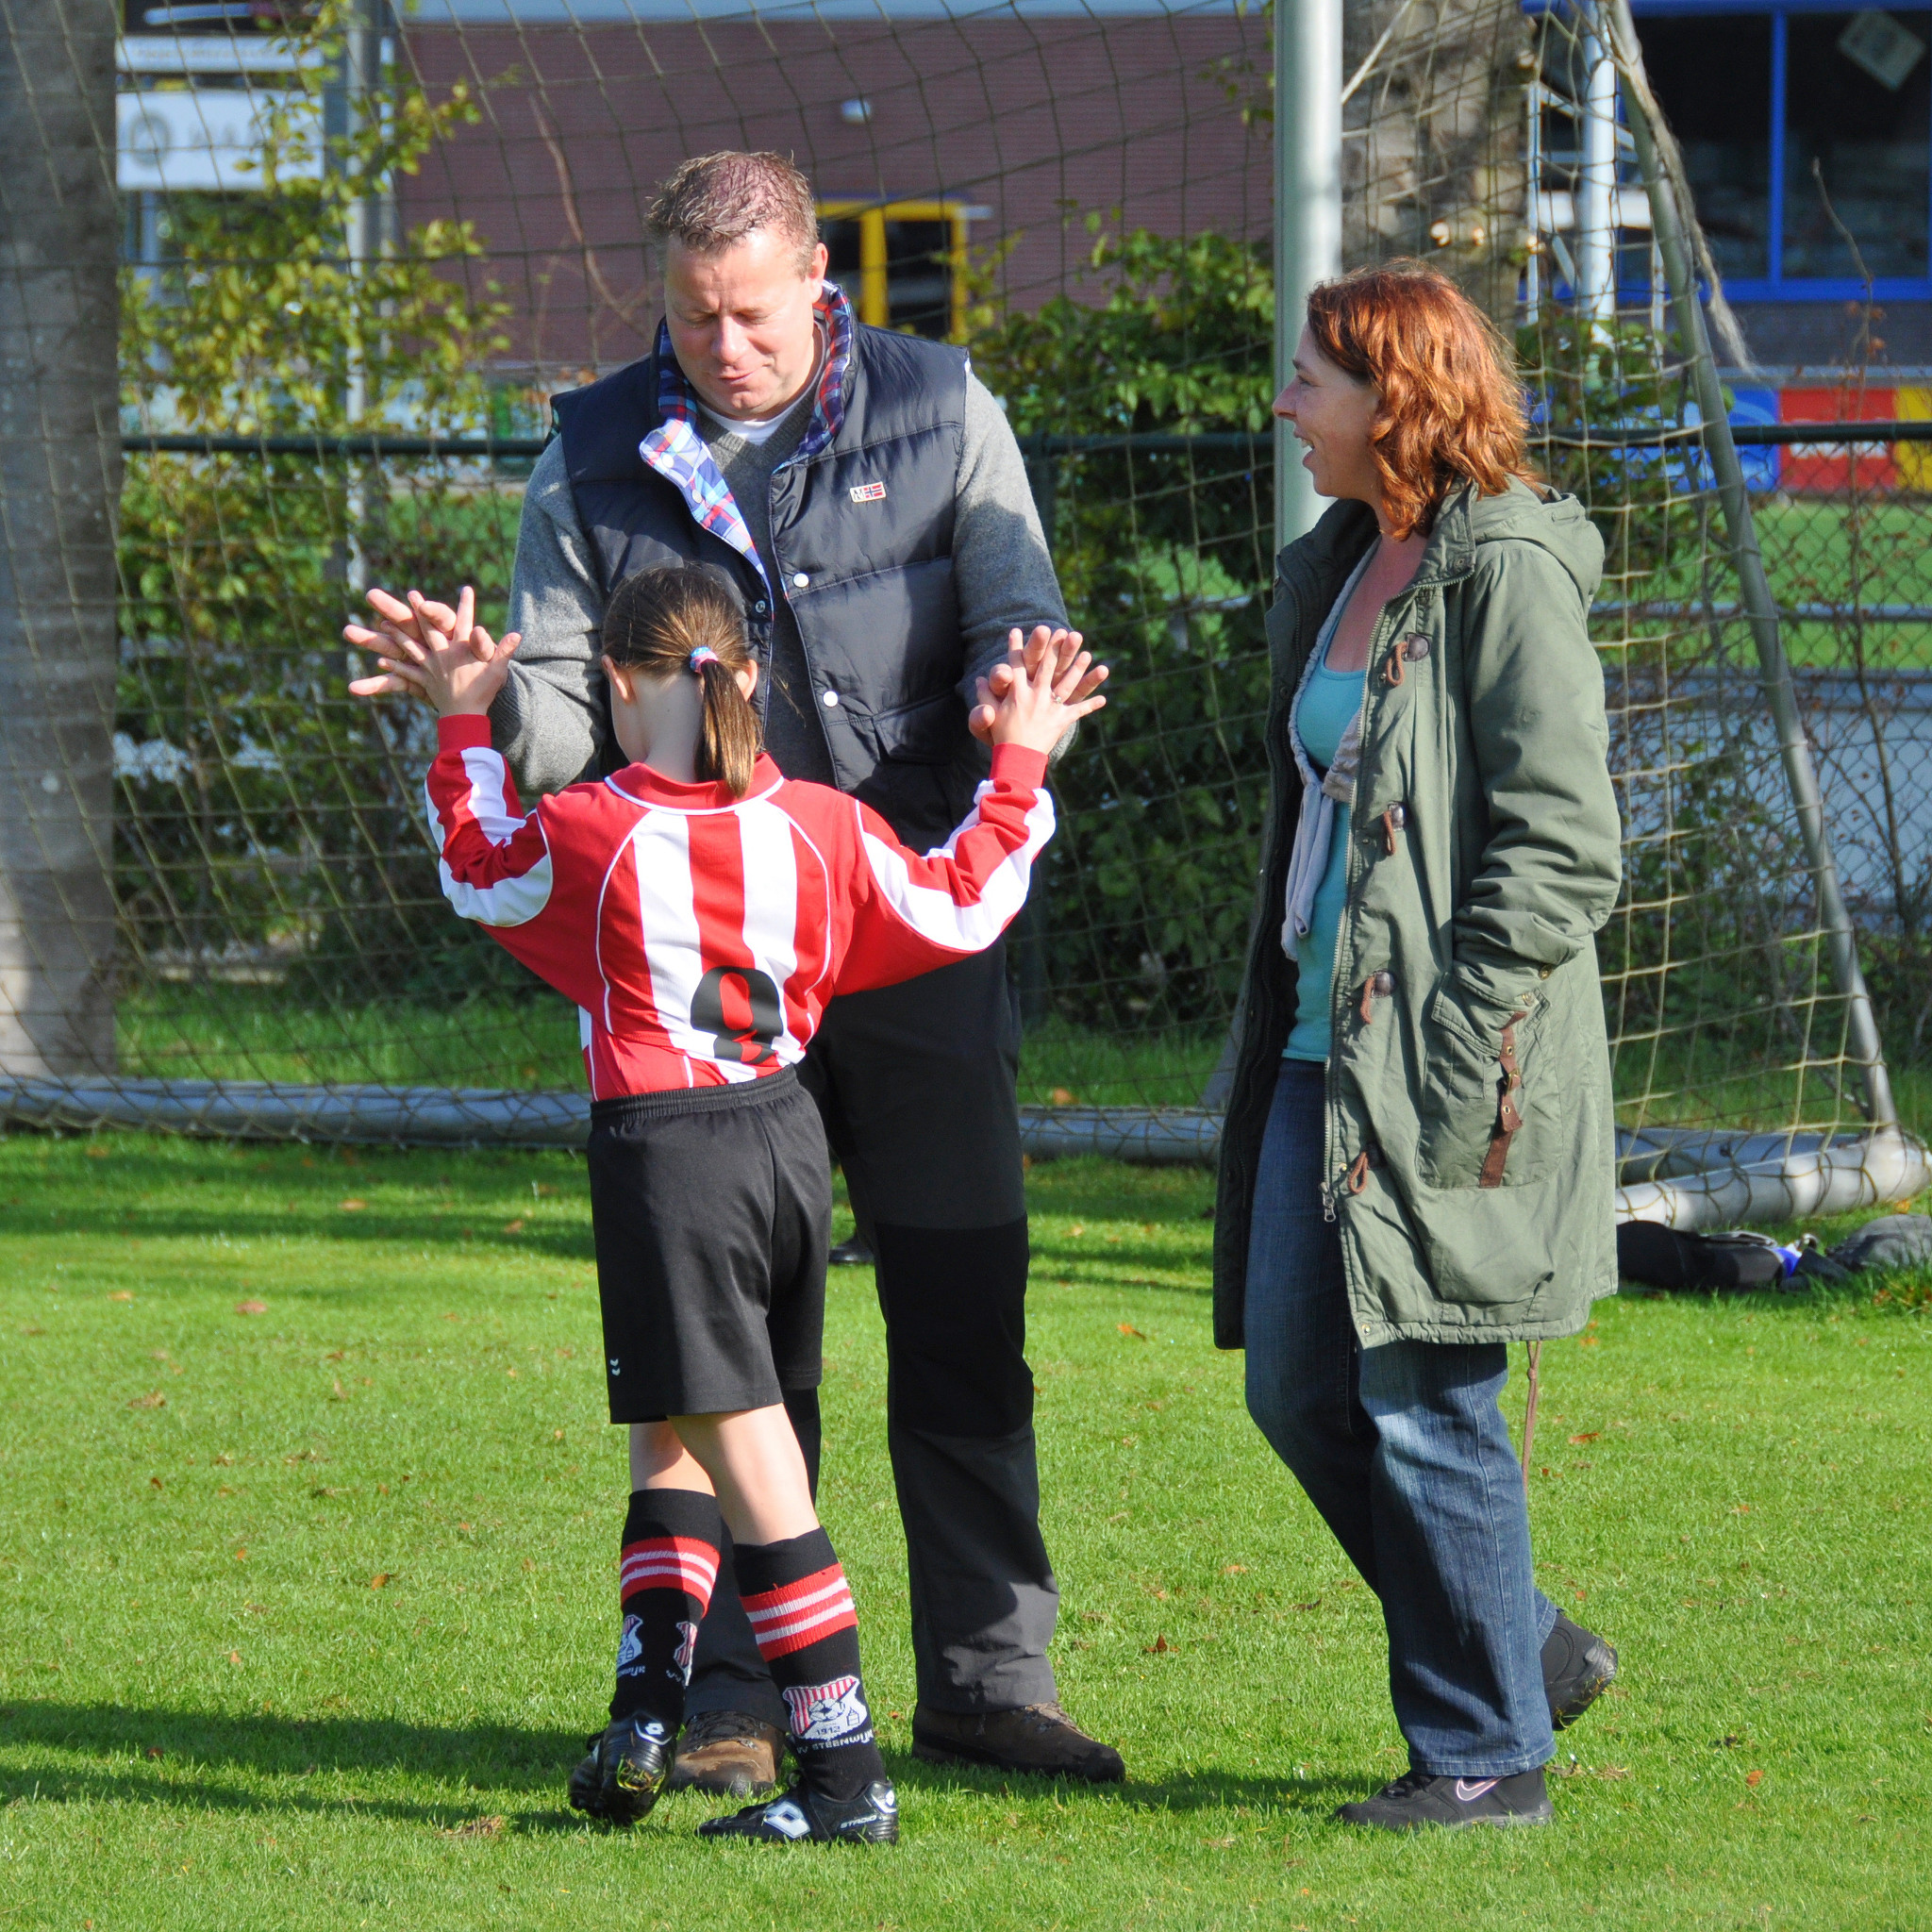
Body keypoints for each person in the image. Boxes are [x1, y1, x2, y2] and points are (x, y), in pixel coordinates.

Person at [348, 148, 1123, 1795]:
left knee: (963, 1305)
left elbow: (1019, 609)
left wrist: (1011, 698)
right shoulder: (589, 448)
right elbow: (567, 708)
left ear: (818, 284)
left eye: (755, 316)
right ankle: (735, 1702)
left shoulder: (944, 404)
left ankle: (991, 1681)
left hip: (897, 918)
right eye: (696, 317)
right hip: (707, 973)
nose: (726, 347)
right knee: (734, 1350)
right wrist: (486, 696)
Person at [1211, 261, 1624, 1833]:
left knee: (1428, 1402)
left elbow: (1565, 847)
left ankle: (1484, 1757)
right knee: (1298, 1390)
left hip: (1449, 1067)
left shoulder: (1505, 566)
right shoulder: (1340, 560)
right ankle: (1526, 1648)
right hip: (1316, 1054)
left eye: (1311, 380)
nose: (1286, 406)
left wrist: (1462, 1044)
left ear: (1395, 397)